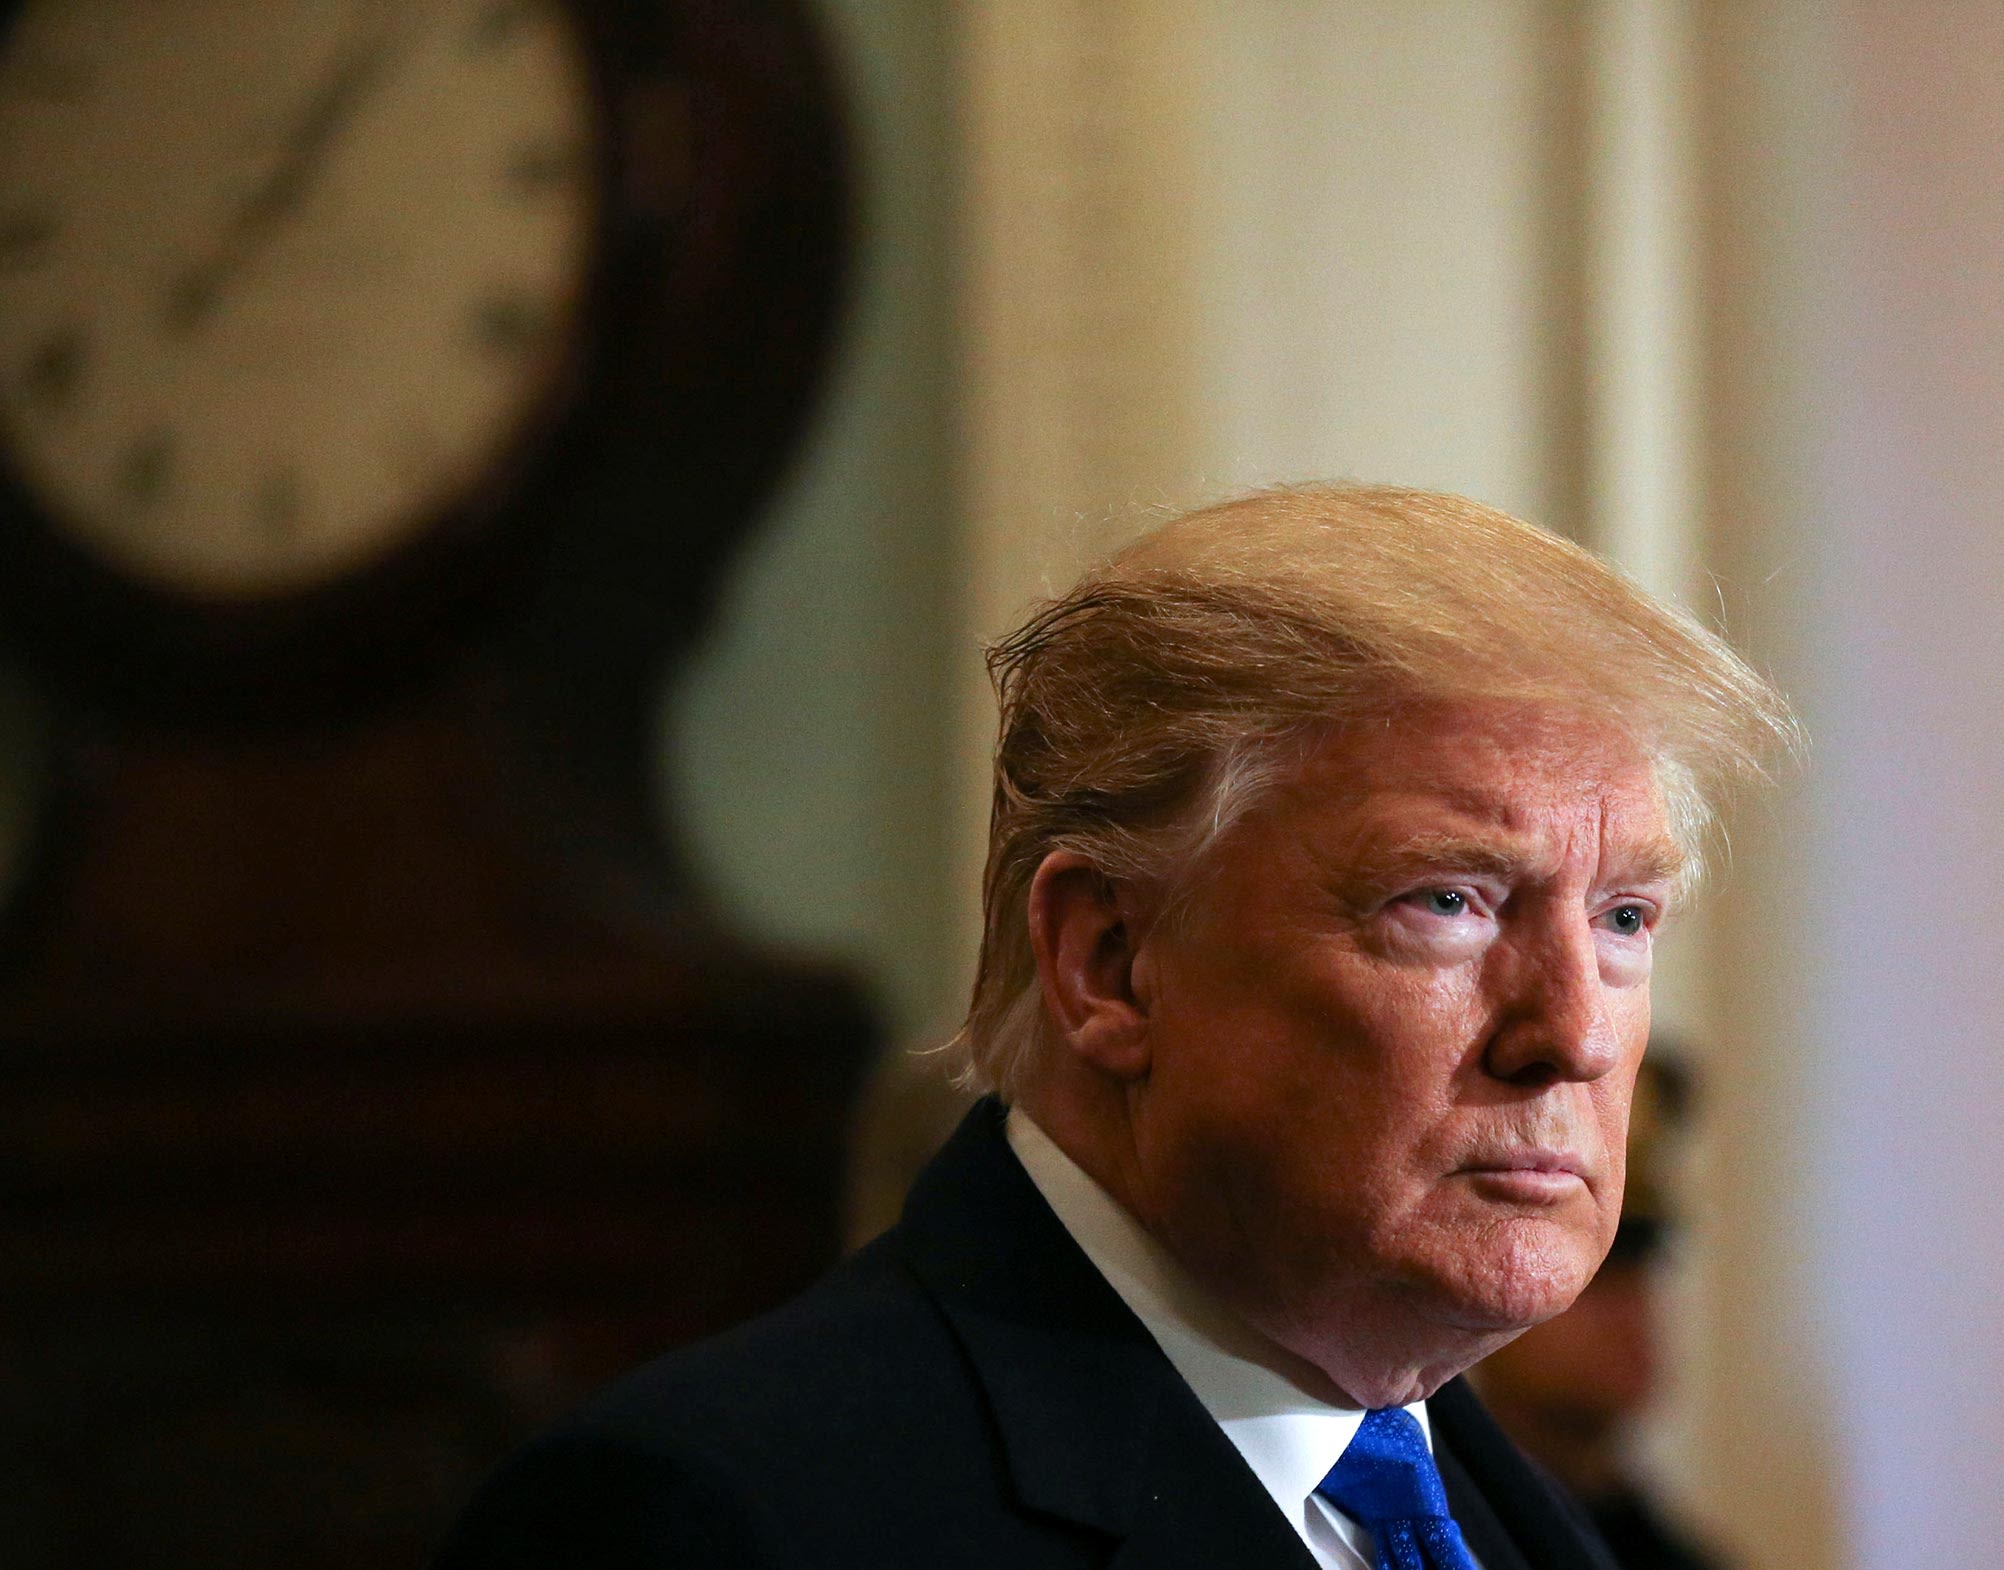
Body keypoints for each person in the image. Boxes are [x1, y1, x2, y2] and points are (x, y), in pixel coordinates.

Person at [436, 483, 1797, 1570]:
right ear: (1111, 963)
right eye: (1446, 899)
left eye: (1624, 918)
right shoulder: (718, 1520)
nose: (1571, 1032)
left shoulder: (1520, 1517)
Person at [1473, 1048, 1734, 1570]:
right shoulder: (1432, 1527)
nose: (1634, 1305)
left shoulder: (1669, 1552)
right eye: (1596, 1274)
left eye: (1644, 1266)